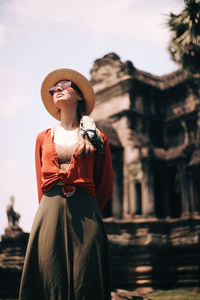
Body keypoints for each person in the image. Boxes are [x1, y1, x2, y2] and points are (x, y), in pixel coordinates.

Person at [19, 68, 114, 300]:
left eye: (65, 85)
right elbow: (40, 182)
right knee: (50, 274)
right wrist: (50, 208)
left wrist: (86, 203)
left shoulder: (97, 138)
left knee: (87, 278)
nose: (58, 90)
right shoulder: (43, 137)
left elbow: (105, 183)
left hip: (86, 215)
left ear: (80, 95)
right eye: (54, 89)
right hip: (49, 212)